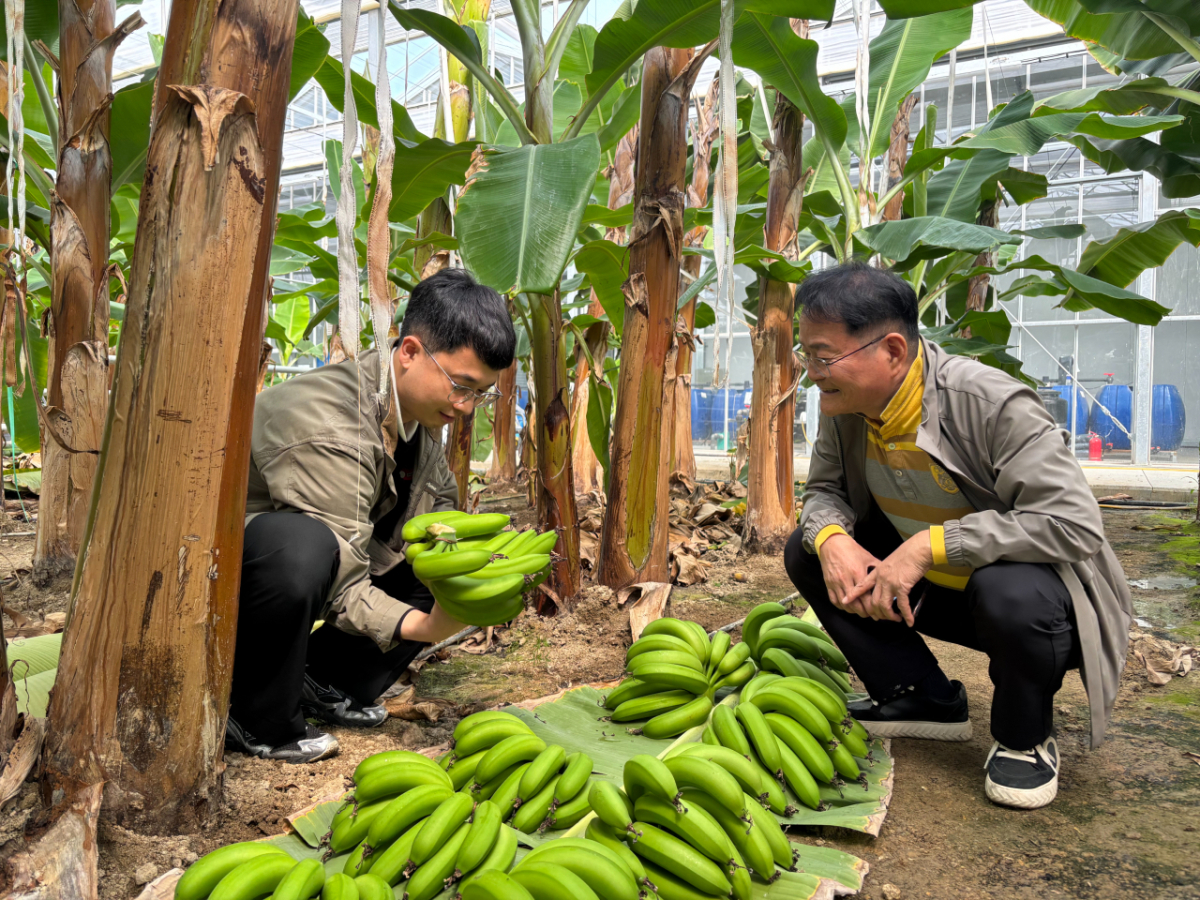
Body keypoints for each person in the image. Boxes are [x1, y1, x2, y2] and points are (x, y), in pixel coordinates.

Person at [784, 262, 1131, 810]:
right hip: (936, 594)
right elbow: (825, 491)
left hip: (1031, 609)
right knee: (807, 552)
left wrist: (927, 546)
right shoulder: (847, 406)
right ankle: (921, 697)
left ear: (893, 351)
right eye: (807, 355)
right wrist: (831, 537)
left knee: (1010, 593)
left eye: (823, 357)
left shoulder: (989, 403)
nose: (812, 372)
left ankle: (1025, 737)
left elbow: (1073, 522)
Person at [226, 269, 517, 763]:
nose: (467, 407)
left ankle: (321, 679)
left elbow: (440, 505)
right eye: (461, 386)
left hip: (315, 559)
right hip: (228, 569)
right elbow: (341, 577)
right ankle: (256, 717)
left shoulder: (411, 414)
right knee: (303, 551)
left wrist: (483, 568)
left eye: (480, 393)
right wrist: (425, 627)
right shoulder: (332, 425)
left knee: (446, 558)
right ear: (408, 352)